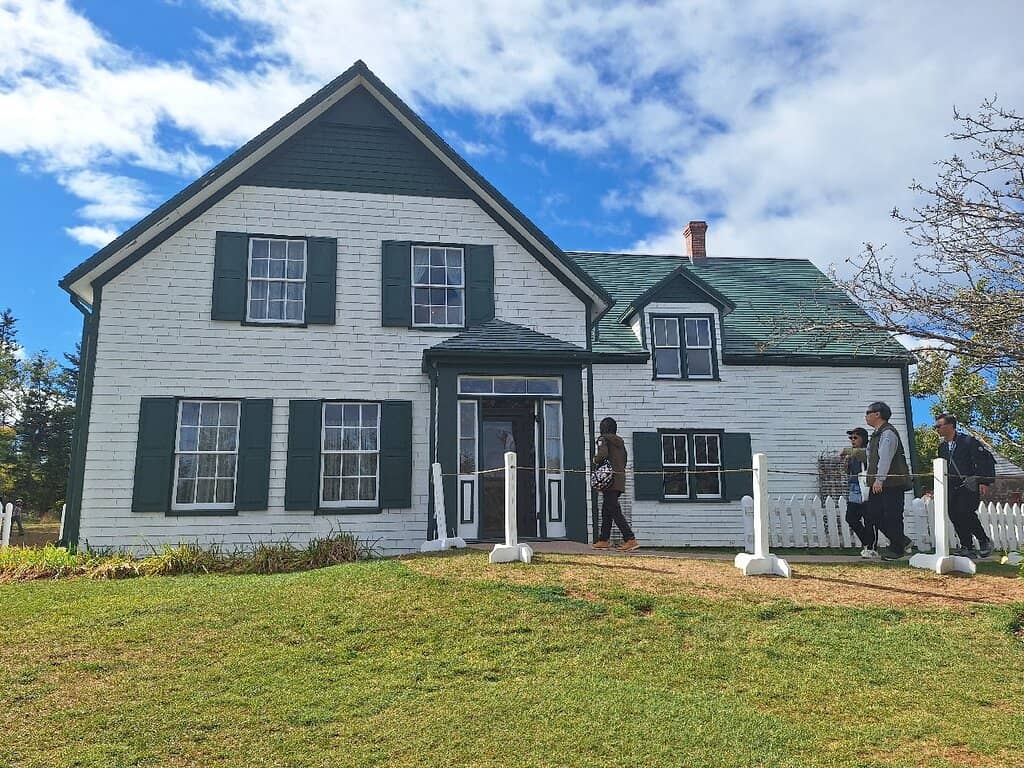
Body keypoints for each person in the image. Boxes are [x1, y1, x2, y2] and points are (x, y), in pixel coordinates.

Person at [935, 413, 995, 558]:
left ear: (950, 425)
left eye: (939, 426)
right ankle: (966, 546)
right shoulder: (942, 447)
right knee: (954, 515)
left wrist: (984, 481)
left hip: (968, 485)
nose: (937, 429)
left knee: (966, 512)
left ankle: (983, 540)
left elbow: (984, 461)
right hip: (951, 486)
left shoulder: (968, 441)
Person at [864, 401, 914, 560]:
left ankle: (897, 549)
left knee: (893, 515)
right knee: (873, 514)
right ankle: (902, 541)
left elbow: (885, 458)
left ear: (877, 414)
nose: (866, 416)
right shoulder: (876, 434)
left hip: (891, 483)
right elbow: (870, 457)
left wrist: (879, 480)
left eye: (868, 412)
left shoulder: (888, 433)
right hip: (878, 483)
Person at [592, 417, 638, 552]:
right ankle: (603, 540)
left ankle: (630, 539)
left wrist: (595, 460)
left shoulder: (603, 439)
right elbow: (625, 459)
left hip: (608, 480)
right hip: (619, 479)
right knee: (607, 509)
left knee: (614, 510)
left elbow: (602, 454)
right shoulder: (620, 443)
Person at [841, 427, 877, 558]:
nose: (852, 440)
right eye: (851, 438)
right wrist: (846, 466)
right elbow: (850, 472)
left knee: (869, 519)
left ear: (863, 438)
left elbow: (866, 459)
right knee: (851, 518)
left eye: (855, 438)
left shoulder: (867, 451)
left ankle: (870, 547)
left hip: (865, 487)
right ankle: (867, 542)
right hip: (854, 488)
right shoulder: (852, 455)